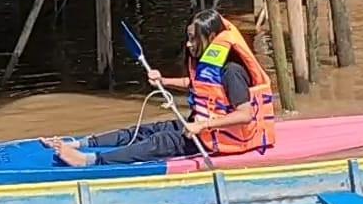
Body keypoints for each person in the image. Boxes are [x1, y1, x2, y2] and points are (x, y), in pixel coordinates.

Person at [46, 10, 276, 166]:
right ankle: (79, 143)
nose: (189, 44)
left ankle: (90, 161)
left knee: (160, 142)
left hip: (218, 138)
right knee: (148, 130)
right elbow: (197, 86)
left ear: (213, 37)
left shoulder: (232, 71)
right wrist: (164, 80)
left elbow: (245, 114)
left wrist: (202, 125)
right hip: (201, 126)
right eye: (189, 37)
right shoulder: (211, 65)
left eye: (194, 39)